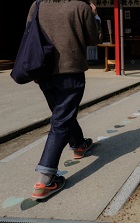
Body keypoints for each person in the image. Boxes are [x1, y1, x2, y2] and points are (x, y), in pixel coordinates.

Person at [25, 0, 103, 200]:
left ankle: (79, 144)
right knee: (61, 120)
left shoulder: (38, 4)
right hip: (70, 70)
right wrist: (95, 16)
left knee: (61, 113)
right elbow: (94, 39)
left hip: (43, 69)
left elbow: (29, 34)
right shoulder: (81, 6)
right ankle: (45, 179)